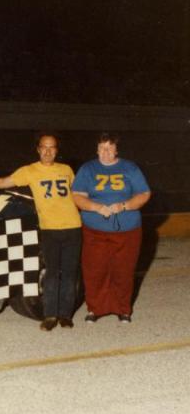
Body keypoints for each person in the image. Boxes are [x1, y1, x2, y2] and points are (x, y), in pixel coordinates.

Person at [0, 133, 82, 331]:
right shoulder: (29, 171)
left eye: (52, 147)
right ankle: (50, 315)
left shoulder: (66, 169)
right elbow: (1, 183)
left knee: (69, 273)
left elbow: (79, 194)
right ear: (38, 149)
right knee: (51, 273)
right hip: (49, 228)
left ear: (57, 150)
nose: (48, 151)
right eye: (44, 147)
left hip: (73, 227)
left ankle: (66, 315)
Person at [72, 132, 151, 324]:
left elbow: (144, 194)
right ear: (96, 149)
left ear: (117, 150)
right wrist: (96, 207)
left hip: (127, 229)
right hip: (94, 229)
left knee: (123, 270)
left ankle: (123, 309)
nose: (105, 152)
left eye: (109, 148)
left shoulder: (130, 168)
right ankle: (95, 309)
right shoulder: (88, 168)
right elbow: (77, 196)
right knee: (95, 270)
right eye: (101, 148)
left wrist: (124, 205)